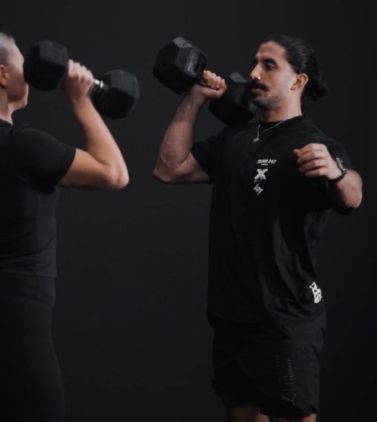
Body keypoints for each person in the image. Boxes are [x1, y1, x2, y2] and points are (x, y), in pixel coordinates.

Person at [0, 31, 129, 422]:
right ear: (1, 74)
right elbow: (114, 174)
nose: (29, 73)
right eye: (21, 63)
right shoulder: (21, 143)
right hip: (12, 327)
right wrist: (80, 100)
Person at [153, 34, 363, 422]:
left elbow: (353, 195)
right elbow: (170, 168)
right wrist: (194, 98)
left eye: (269, 65)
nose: (253, 73)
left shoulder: (315, 144)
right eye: (255, 63)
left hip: (285, 321)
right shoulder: (234, 138)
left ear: (299, 81)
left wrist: (336, 172)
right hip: (232, 320)